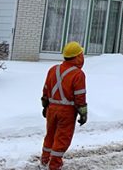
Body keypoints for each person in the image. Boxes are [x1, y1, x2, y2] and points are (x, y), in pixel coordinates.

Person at [40, 41, 88, 170]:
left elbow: (45, 90)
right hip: (66, 111)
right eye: (81, 54)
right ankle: (54, 164)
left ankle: (45, 160)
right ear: (77, 57)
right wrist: (83, 113)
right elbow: (80, 97)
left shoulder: (53, 69)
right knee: (62, 138)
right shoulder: (78, 74)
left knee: (50, 134)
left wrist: (45, 106)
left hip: (51, 109)